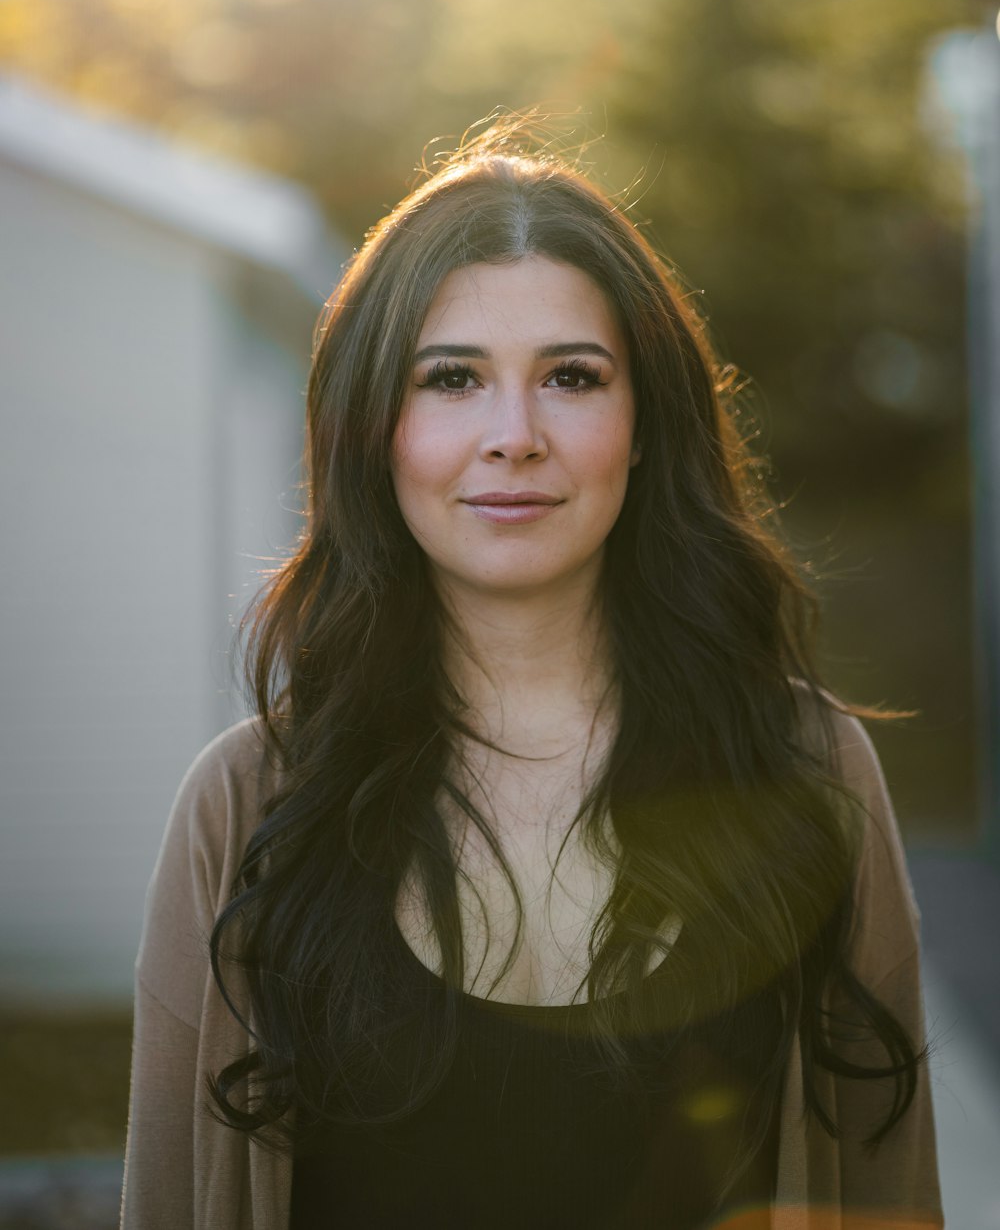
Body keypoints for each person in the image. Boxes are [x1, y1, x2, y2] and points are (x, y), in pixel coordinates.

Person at [120, 125, 942, 1230]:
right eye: (451, 379)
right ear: (376, 430)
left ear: (643, 423)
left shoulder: (810, 773)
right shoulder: (244, 808)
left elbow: (890, 1195)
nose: (514, 435)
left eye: (570, 377)